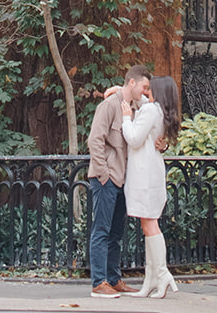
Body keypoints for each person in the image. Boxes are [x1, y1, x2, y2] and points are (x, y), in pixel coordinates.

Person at [87, 63, 152, 298]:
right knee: (101, 230)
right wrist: (103, 175)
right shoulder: (108, 106)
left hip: (124, 181)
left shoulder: (135, 108)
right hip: (107, 179)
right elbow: (95, 140)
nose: (146, 91)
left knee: (116, 233)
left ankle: (113, 280)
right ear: (132, 82)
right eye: (144, 87)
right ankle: (98, 283)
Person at [122, 75, 181, 298]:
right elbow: (143, 105)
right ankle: (150, 281)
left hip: (144, 174)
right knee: (149, 225)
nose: (147, 92)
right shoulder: (161, 111)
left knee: (150, 224)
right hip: (152, 171)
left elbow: (134, 138)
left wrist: (126, 119)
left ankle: (162, 273)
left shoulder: (150, 110)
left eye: (150, 89)